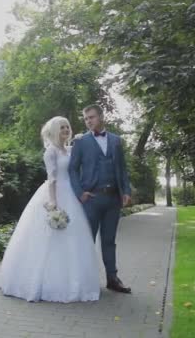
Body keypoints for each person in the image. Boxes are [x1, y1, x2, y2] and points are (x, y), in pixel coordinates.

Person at [0, 116, 100, 303]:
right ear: (54, 131)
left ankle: (73, 281)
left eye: (67, 127)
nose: (66, 130)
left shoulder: (69, 150)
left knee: (73, 239)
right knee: (47, 239)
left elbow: (82, 151)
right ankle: (39, 283)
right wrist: (53, 203)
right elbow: (51, 178)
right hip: (55, 193)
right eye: (62, 127)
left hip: (72, 194)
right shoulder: (51, 152)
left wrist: (79, 137)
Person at [69, 104, 133, 294]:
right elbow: (72, 168)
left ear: (101, 116)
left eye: (92, 117)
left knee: (109, 241)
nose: (89, 121)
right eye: (86, 118)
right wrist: (80, 193)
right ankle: (83, 280)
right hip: (91, 199)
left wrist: (126, 190)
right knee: (86, 240)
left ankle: (113, 279)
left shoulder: (116, 140)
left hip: (113, 199)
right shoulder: (80, 142)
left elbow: (122, 168)